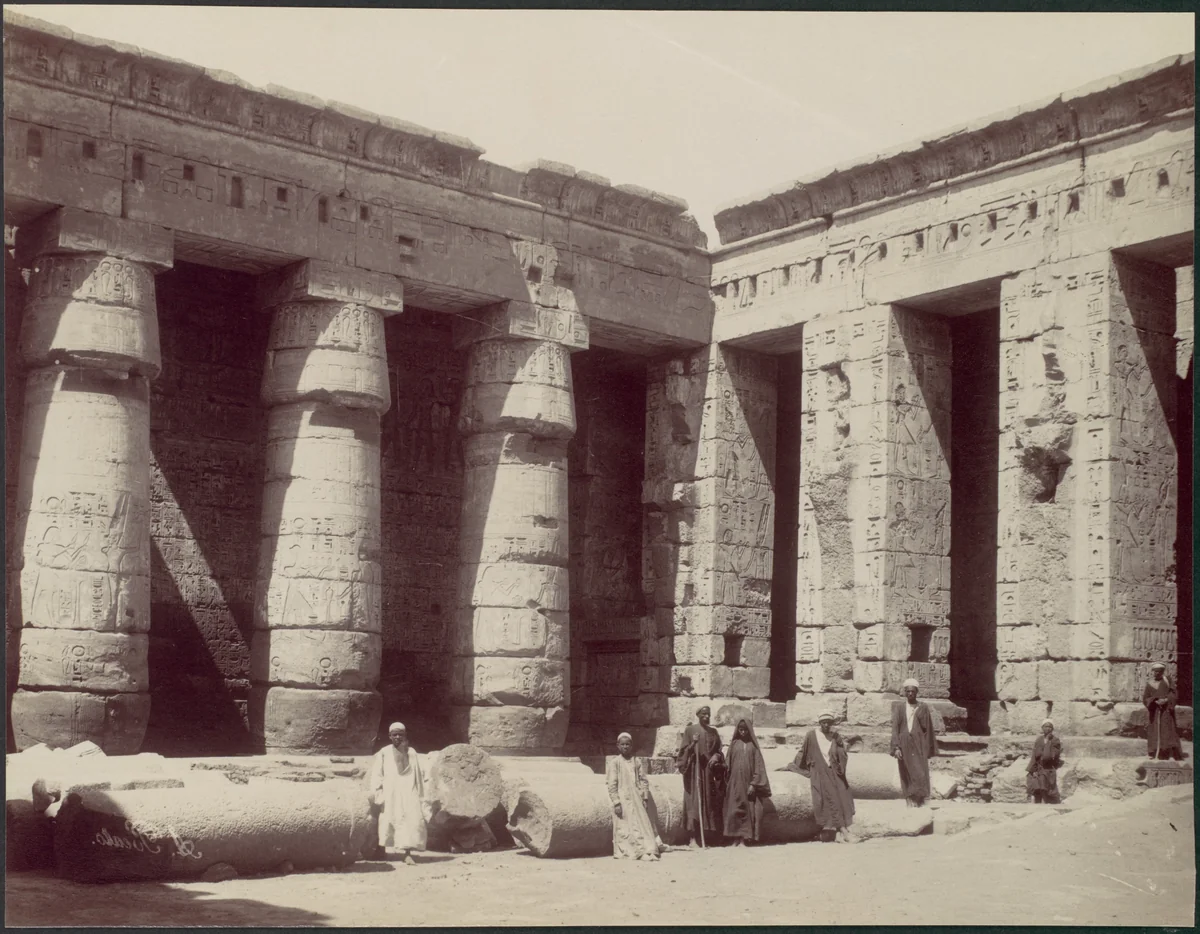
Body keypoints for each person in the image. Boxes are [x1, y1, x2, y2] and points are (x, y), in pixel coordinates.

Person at [785, 711, 855, 842]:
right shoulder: (811, 736)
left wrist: (841, 754)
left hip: (834, 771)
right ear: (820, 723)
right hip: (819, 771)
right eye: (824, 722)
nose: (826, 725)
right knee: (831, 796)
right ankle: (843, 830)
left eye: (829, 723)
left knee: (844, 794)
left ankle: (838, 831)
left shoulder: (835, 736)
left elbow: (842, 755)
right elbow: (803, 752)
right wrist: (793, 765)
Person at [367, 722, 430, 864]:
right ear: (389, 736)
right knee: (387, 820)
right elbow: (377, 774)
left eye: (400, 734)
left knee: (410, 820)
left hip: (409, 791)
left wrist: (420, 794)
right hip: (390, 792)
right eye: (394, 734)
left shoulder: (412, 752)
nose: (397, 737)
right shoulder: (384, 752)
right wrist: (378, 793)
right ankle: (381, 850)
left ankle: (407, 853)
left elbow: (419, 774)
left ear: (405, 735)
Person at [606, 732, 663, 860]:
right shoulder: (615, 763)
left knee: (643, 824)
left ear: (631, 746)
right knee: (628, 826)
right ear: (618, 746)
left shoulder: (636, 761)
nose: (625, 747)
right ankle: (637, 851)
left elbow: (643, 780)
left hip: (637, 798)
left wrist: (645, 797)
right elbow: (612, 784)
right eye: (623, 744)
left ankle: (649, 849)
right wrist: (616, 802)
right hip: (623, 798)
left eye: (628, 744)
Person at [675, 705, 725, 847]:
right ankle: (692, 838)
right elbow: (683, 752)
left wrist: (716, 757)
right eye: (703, 714)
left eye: (708, 714)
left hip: (708, 773)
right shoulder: (690, 730)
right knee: (694, 802)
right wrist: (693, 744)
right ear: (698, 715)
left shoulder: (713, 732)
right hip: (694, 772)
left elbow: (719, 750)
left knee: (707, 802)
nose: (706, 716)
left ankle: (704, 837)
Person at [723, 719, 771, 846]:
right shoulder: (734, 744)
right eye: (740, 730)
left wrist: (753, 784)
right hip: (734, 784)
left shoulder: (752, 746)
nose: (743, 732)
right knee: (733, 810)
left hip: (748, 784)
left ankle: (744, 839)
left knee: (747, 811)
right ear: (737, 730)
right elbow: (727, 763)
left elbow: (758, 767)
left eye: (745, 730)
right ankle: (735, 839)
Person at [890, 678, 937, 808]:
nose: (910, 694)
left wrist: (928, 748)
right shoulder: (899, 707)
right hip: (904, 742)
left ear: (917, 692)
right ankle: (910, 798)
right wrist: (896, 747)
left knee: (920, 771)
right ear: (905, 692)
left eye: (913, 691)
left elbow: (928, 728)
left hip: (918, 743)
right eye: (908, 691)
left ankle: (920, 798)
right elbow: (895, 728)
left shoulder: (923, 707)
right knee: (906, 771)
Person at [1143, 662, 1183, 761]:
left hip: (1166, 711)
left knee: (1167, 729)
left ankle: (1166, 752)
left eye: (1159, 671)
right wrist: (1154, 701)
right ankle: (1154, 751)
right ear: (1152, 672)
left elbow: (1173, 693)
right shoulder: (1149, 684)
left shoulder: (1167, 681)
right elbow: (1145, 698)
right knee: (1154, 730)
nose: (1156, 673)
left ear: (1162, 672)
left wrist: (1166, 700)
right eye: (1155, 671)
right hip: (1155, 711)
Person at [1026, 718, 1062, 804]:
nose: (1048, 729)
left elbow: (1048, 757)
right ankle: (1035, 801)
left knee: (1043, 777)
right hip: (1038, 765)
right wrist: (1033, 769)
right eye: (1046, 726)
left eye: (1050, 727)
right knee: (1031, 778)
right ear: (1042, 728)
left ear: (1052, 729)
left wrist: (1047, 742)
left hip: (1048, 766)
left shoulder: (1055, 740)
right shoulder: (1039, 740)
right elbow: (1035, 755)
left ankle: (1044, 801)